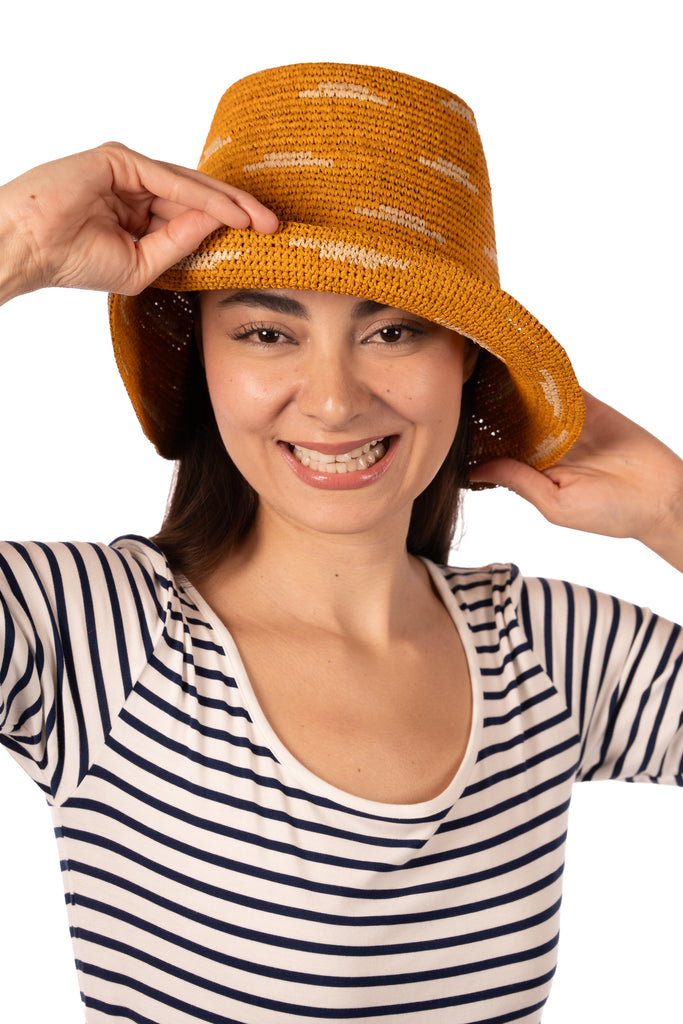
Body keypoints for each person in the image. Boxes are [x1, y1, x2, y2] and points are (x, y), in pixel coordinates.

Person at [0, 62, 681, 1024]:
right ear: (203, 358)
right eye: (268, 333)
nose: (331, 400)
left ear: (466, 366)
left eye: (394, 332)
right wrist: (17, 243)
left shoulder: (548, 652)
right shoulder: (81, 632)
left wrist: (668, 509)